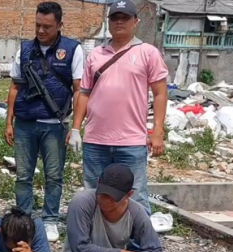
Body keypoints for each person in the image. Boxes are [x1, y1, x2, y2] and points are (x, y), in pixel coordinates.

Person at [70, 0, 168, 213]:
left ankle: (139, 243)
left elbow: (160, 93)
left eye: (125, 18)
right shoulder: (96, 54)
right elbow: (84, 93)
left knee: (135, 195)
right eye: (115, 17)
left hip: (131, 142)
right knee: (94, 193)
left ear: (135, 21)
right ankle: (97, 240)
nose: (120, 22)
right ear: (109, 22)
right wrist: (76, 129)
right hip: (96, 140)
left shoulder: (147, 53)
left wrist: (157, 131)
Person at [5, 2, 84, 242]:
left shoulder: (73, 49)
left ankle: (50, 219)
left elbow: (79, 90)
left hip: (54, 124)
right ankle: (23, 219)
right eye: (38, 25)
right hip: (25, 123)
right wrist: (9, 122)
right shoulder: (25, 48)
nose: (41, 31)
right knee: (23, 175)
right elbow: (14, 86)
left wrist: (76, 128)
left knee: (54, 175)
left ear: (60, 25)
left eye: (47, 27)